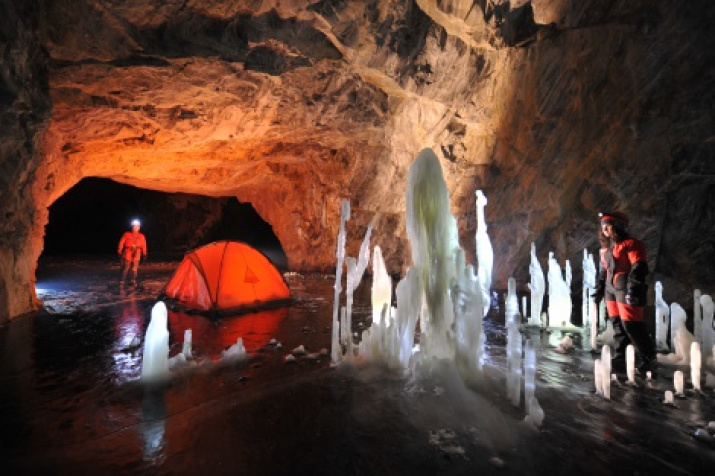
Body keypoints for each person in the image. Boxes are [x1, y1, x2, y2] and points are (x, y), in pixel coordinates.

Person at [592, 211, 657, 377]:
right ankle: (622, 355)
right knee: (617, 324)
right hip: (610, 290)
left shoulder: (632, 244)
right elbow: (603, 271)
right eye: (602, 225)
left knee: (632, 324)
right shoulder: (605, 249)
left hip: (625, 288)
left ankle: (649, 359)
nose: (604, 228)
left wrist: (633, 289)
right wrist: (599, 290)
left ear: (618, 225)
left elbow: (639, 267)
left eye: (608, 224)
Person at [118, 218, 148, 287]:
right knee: (125, 267)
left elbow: (144, 245)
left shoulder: (141, 236)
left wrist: (144, 254)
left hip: (137, 253)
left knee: (134, 268)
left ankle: (132, 280)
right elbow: (121, 242)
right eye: (134, 226)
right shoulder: (127, 234)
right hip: (128, 252)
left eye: (137, 226)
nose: (136, 227)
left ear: (139, 227)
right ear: (132, 227)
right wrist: (119, 251)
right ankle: (122, 280)